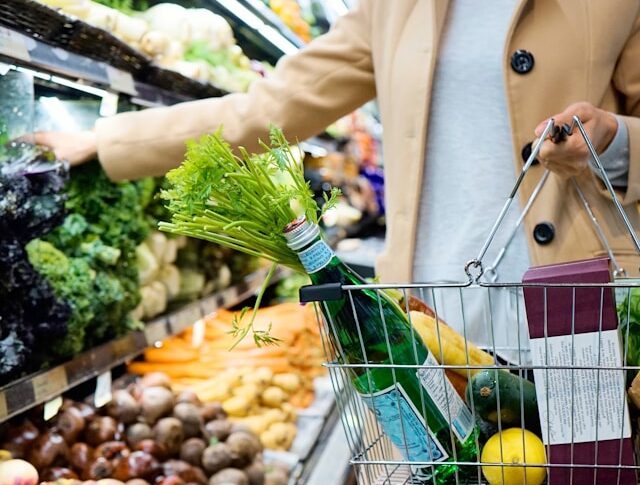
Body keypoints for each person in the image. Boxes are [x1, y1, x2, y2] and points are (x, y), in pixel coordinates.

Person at [36, 0, 640, 356]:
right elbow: (265, 111)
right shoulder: (394, 10)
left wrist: (613, 142)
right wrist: (107, 140)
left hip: (581, 310)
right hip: (431, 316)